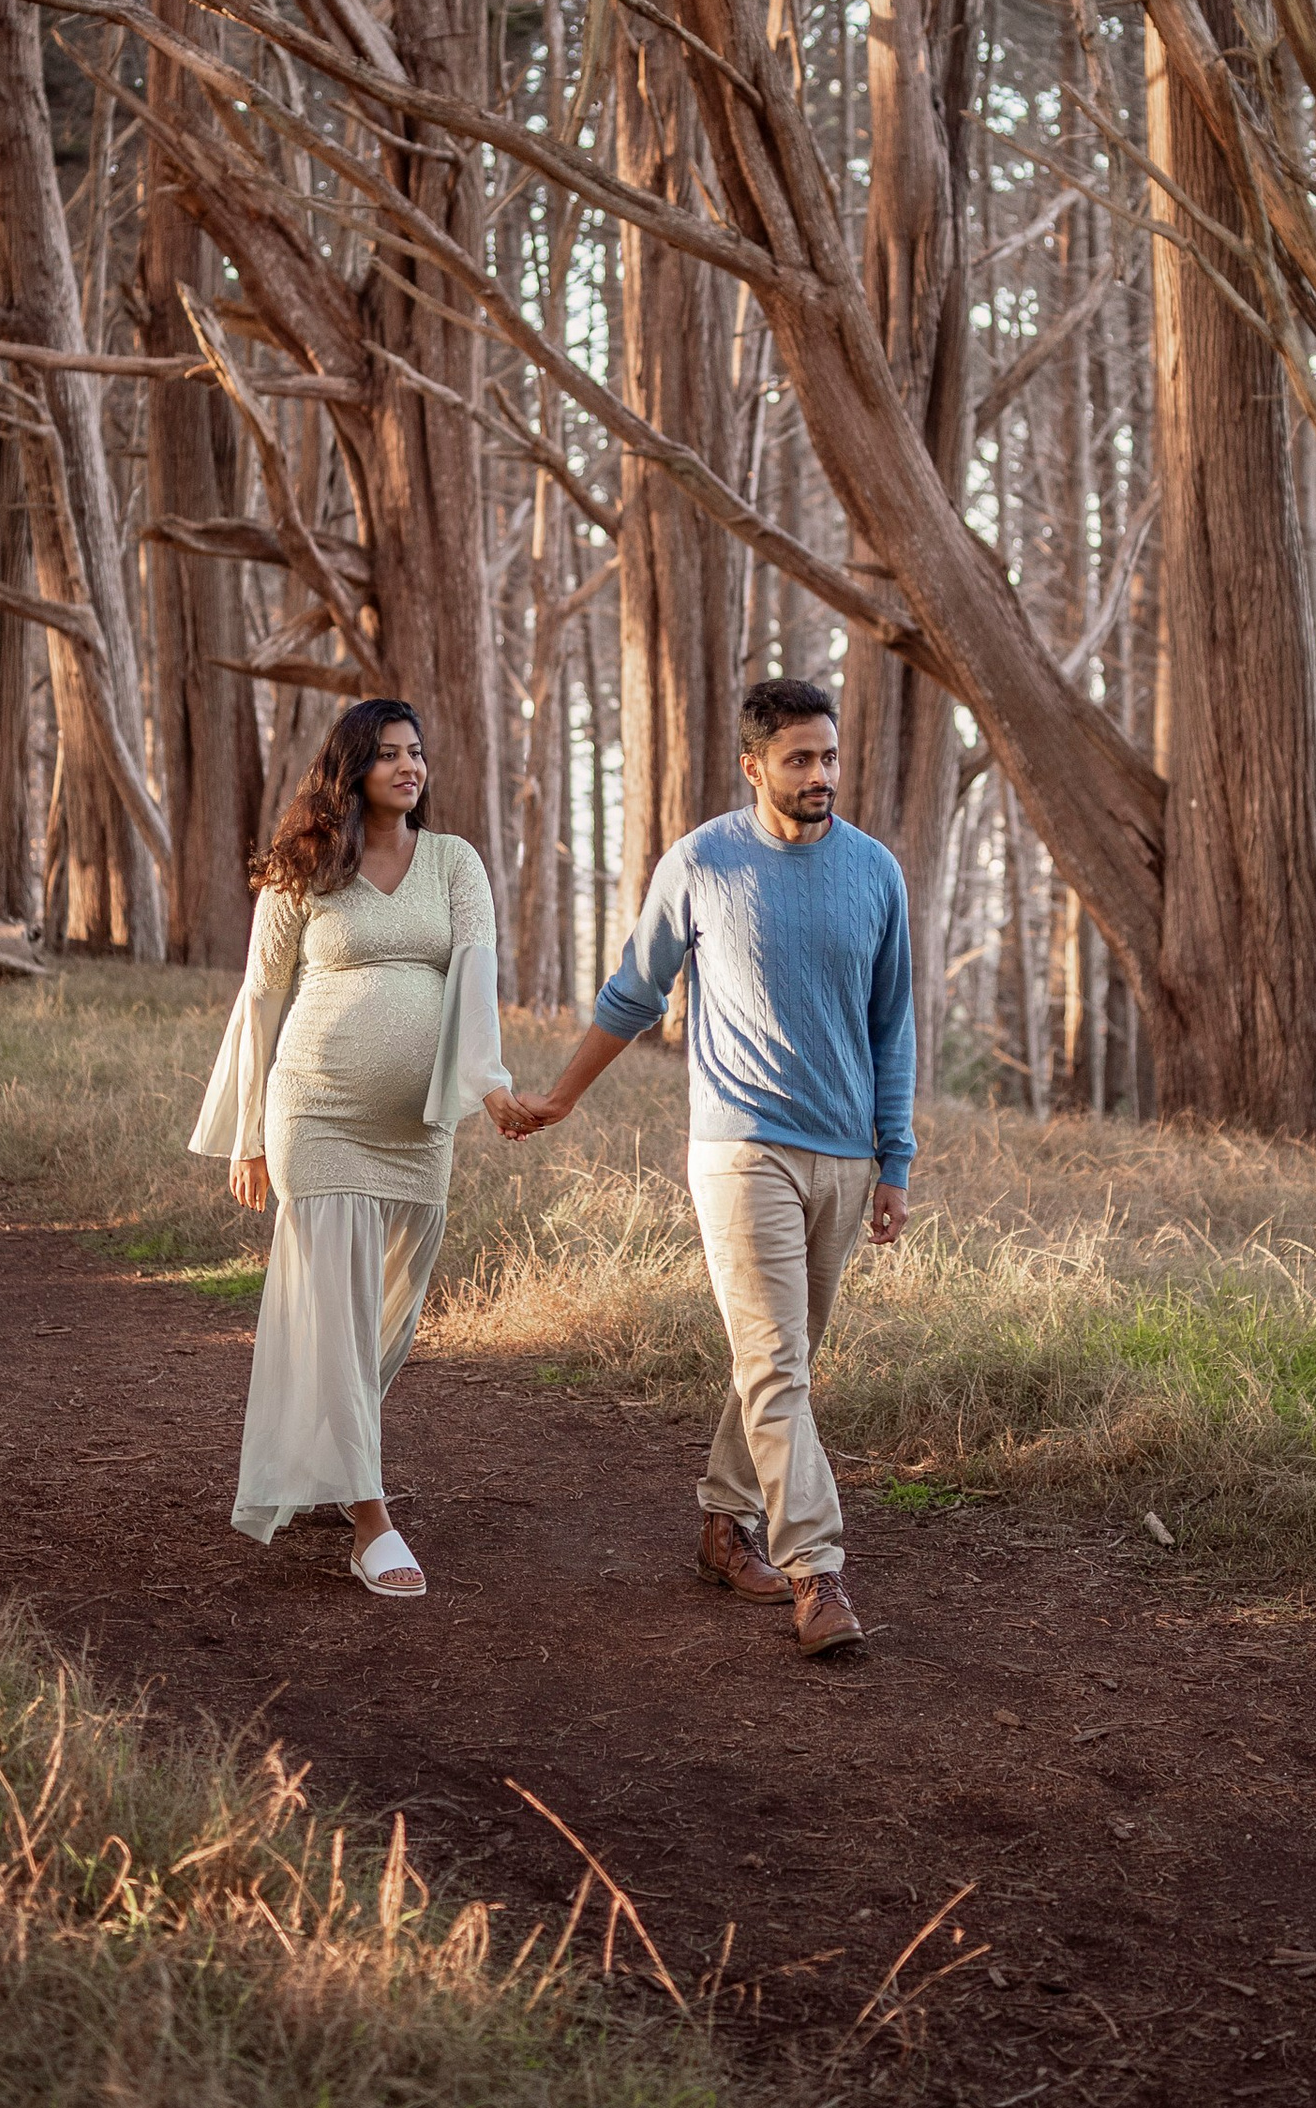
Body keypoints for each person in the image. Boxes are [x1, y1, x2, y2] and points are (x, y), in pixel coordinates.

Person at [502, 675, 913, 1658]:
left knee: (783, 1361)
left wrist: (892, 1159)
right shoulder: (703, 863)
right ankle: (818, 1574)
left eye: (829, 755)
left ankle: (725, 1526)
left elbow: (892, 1027)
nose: (820, 775)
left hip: (845, 1157)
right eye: (799, 759)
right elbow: (632, 992)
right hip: (739, 1148)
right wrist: (560, 1094)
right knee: (776, 1362)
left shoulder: (874, 871)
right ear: (754, 765)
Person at [189, 696, 510, 1599]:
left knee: (386, 1317)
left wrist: (488, 1089)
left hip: (416, 1130)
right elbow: (260, 999)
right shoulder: (305, 869)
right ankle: (370, 1519)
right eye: (390, 755)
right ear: (352, 768)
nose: (410, 768)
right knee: (332, 1311)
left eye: (418, 753)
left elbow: (476, 977)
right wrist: (248, 1134)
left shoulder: (455, 863)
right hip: (317, 1111)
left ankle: (326, 1454)